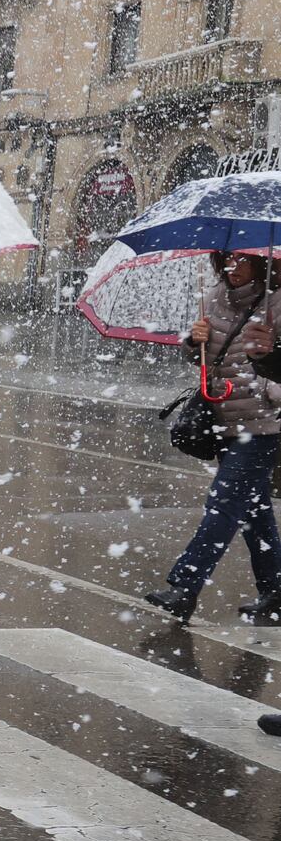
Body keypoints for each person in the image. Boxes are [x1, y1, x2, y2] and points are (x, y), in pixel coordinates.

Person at [146, 251, 281, 626]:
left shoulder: (277, 302)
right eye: (227, 260)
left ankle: (185, 587)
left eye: (243, 260)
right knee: (254, 511)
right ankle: (276, 590)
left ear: (261, 263)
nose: (233, 268)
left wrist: (270, 366)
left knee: (224, 503)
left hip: (261, 424)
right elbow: (204, 359)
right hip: (221, 418)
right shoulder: (213, 297)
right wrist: (194, 341)